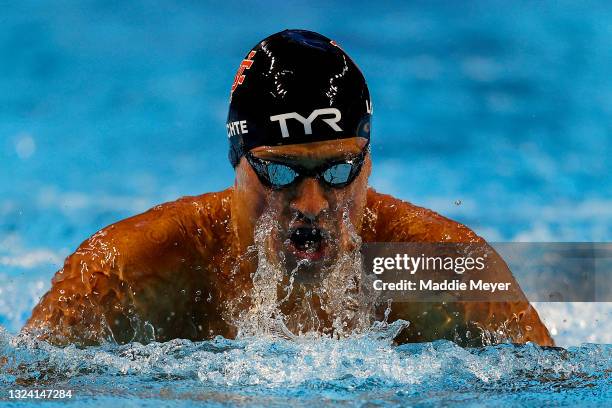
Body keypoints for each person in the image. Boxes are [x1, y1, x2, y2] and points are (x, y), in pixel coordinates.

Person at [23, 29, 554, 347]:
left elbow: (560, 388)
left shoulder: (438, 269)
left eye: (338, 170)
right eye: (279, 173)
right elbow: (28, 387)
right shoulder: (132, 268)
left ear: (368, 164)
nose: (311, 204)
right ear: (238, 164)